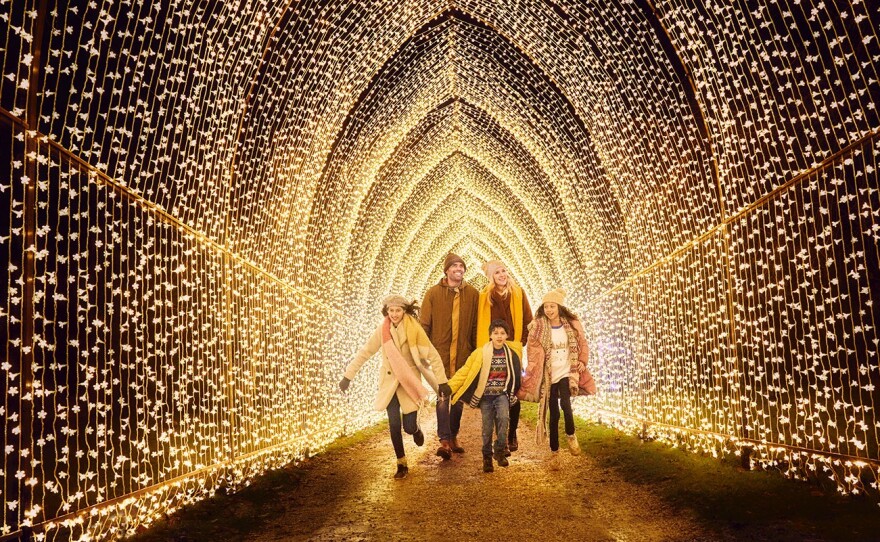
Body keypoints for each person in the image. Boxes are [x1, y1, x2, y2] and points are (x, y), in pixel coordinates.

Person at [339, 295, 451, 479]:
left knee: (407, 426)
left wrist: (442, 381)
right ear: (386, 312)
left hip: (409, 382)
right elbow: (365, 352)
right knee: (393, 423)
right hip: (389, 382)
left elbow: (432, 354)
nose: (394, 314)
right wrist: (347, 376)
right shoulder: (382, 331)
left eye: (398, 310)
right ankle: (401, 463)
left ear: (404, 311)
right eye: (391, 311)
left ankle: (415, 429)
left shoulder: (414, 329)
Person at [518, 289, 596, 468]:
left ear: (559, 307)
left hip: (566, 371)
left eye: (552, 306)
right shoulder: (539, 327)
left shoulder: (571, 324)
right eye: (546, 306)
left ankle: (571, 434)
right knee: (553, 413)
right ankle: (555, 453)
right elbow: (532, 349)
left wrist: (582, 361)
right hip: (549, 374)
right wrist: (534, 367)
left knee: (566, 404)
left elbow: (582, 343)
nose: (549, 309)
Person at [421, 253, 479, 459]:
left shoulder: (473, 294)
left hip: (464, 355)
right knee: (443, 397)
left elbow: (476, 325)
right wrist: (424, 352)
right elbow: (424, 325)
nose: (458, 269)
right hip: (440, 355)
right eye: (454, 266)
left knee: (459, 398)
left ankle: (453, 436)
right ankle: (444, 440)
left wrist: (476, 353)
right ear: (446, 270)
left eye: (461, 266)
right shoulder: (433, 294)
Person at [446, 320, 522, 473]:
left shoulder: (512, 355)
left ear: (507, 335)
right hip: (486, 396)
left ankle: (499, 450)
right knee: (487, 428)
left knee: (504, 419)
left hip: (502, 394)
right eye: (495, 333)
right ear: (490, 335)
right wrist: (449, 386)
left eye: (502, 333)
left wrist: (514, 392)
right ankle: (487, 456)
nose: (499, 336)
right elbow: (465, 371)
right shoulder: (480, 353)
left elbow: (516, 376)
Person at [476, 260, 532, 454]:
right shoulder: (485, 297)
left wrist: (521, 341)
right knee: (494, 390)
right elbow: (478, 322)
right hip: (492, 348)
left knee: (514, 390)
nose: (502, 275)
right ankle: (498, 436)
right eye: (497, 272)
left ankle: (512, 434)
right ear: (492, 277)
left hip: (513, 347)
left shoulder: (518, 293)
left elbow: (528, 318)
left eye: (504, 271)